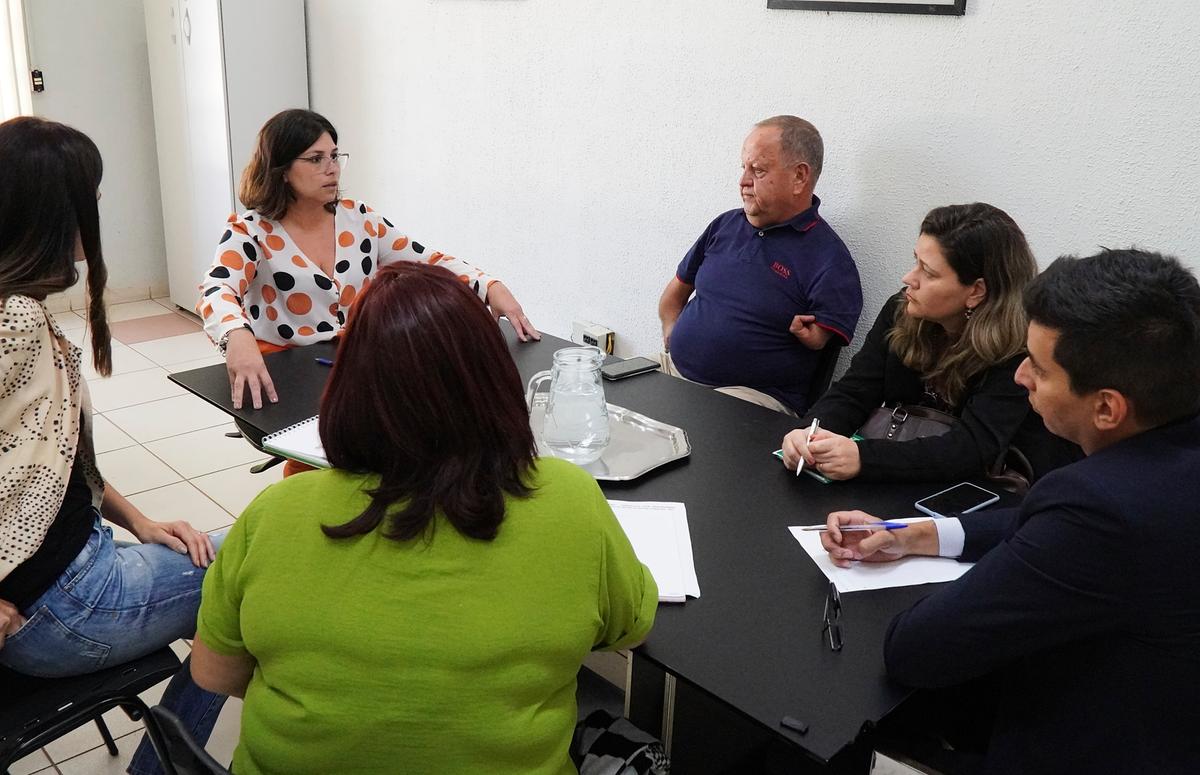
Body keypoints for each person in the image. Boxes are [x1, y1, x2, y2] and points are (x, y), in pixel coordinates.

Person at [190, 262, 657, 775]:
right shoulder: (571, 501)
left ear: (347, 386)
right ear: (497, 382)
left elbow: (215, 673)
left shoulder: (274, 515)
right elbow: (628, 631)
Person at [821, 249, 1200, 774]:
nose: (1020, 377)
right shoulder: (1168, 460)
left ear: (1107, 407)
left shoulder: (1100, 508)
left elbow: (916, 649)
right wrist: (920, 534)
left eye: (1040, 369)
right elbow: (1045, 529)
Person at [0, 116, 225, 775]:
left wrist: (142, 521)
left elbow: (52, 461)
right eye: (91, 194)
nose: (98, 208)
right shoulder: (13, 319)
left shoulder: (17, 305)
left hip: (65, 575)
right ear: (52, 208)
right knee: (254, 575)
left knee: (229, 560)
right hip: (60, 605)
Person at [198, 108, 539, 411]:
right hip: (286, 368)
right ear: (282, 170)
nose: (331, 169)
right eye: (316, 159)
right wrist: (236, 335)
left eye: (334, 156)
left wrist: (489, 285)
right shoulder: (251, 231)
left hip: (356, 363)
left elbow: (426, 261)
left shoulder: (358, 219)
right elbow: (217, 288)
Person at [781, 203, 1080, 482]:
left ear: (976, 291)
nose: (910, 278)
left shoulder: (1019, 347)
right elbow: (854, 391)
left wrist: (864, 458)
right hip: (901, 475)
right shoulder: (901, 309)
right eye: (916, 262)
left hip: (976, 495)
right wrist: (810, 432)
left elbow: (973, 448)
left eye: (929, 272)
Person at [657, 115, 862, 416]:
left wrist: (815, 336)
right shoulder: (724, 226)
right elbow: (674, 294)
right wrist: (673, 333)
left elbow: (823, 341)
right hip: (672, 370)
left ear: (799, 177)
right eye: (744, 167)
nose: (743, 181)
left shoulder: (830, 259)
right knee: (601, 393)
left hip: (750, 398)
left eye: (758, 170)